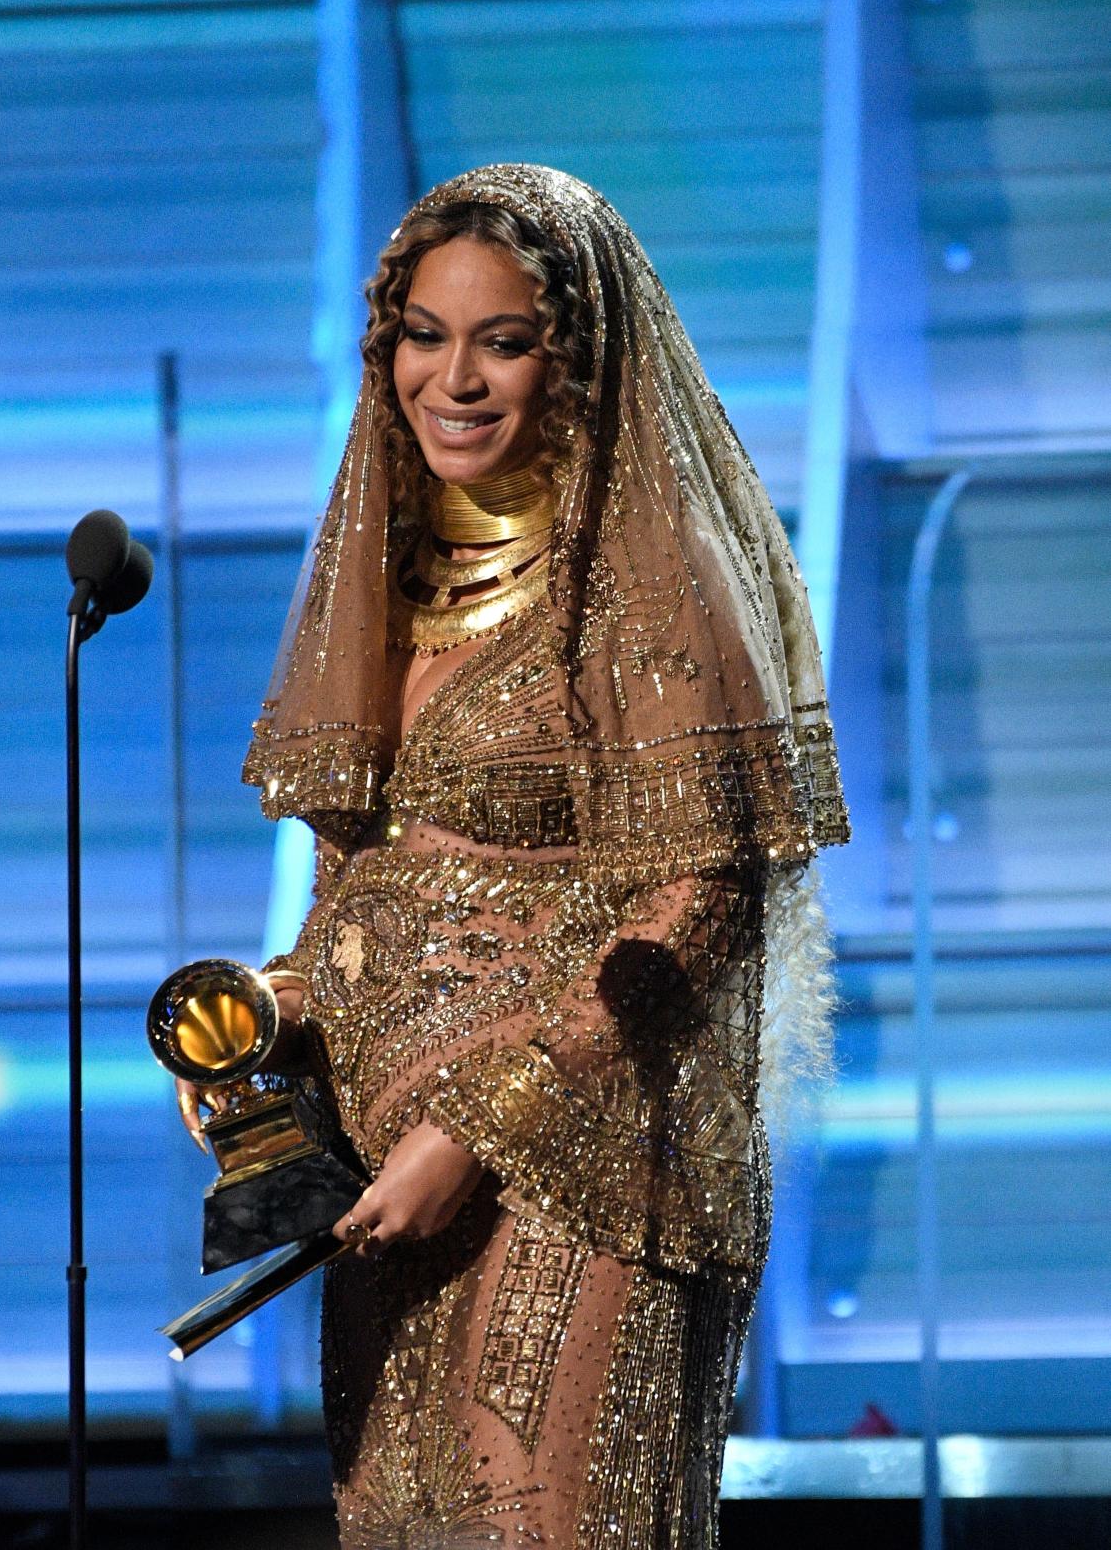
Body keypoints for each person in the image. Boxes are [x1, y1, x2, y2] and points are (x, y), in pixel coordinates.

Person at [178, 164, 849, 1548]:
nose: (455, 378)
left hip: (582, 1174)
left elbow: (703, 895)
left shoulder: (647, 579)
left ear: (581, 357)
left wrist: (481, 1131)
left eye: (504, 338)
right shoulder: (389, 587)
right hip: (385, 1185)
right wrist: (261, 1028)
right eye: (425, 334)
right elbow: (353, 907)